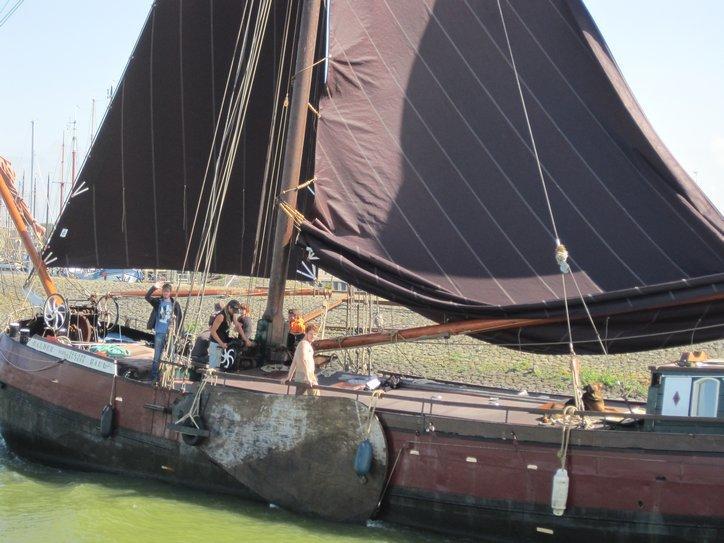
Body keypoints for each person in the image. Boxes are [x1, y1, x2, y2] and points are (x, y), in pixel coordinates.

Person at [145, 281, 182, 381]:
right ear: (162, 292)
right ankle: (154, 376)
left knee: (171, 355)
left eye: (167, 291)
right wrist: (154, 287)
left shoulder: (175, 304)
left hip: (170, 333)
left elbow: (180, 319)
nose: (166, 293)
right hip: (159, 332)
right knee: (157, 356)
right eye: (164, 291)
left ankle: (170, 376)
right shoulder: (158, 302)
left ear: (170, 292)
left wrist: (178, 332)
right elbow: (147, 297)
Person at [208, 300, 255, 368]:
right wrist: (221, 343)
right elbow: (213, 331)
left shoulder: (232, 314)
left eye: (236, 311)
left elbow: (238, 326)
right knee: (214, 366)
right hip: (216, 342)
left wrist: (245, 339)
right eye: (234, 310)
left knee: (222, 366)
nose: (235, 312)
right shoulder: (221, 316)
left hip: (224, 339)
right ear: (229, 307)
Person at [286, 323, 319, 396]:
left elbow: (294, 361)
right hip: (305, 378)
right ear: (306, 333)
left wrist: (289, 377)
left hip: (306, 377)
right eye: (311, 334)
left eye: (315, 334)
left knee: (306, 399)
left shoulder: (303, 344)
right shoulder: (304, 344)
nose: (313, 336)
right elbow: (304, 360)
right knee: (313, 400)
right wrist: (308, 378)